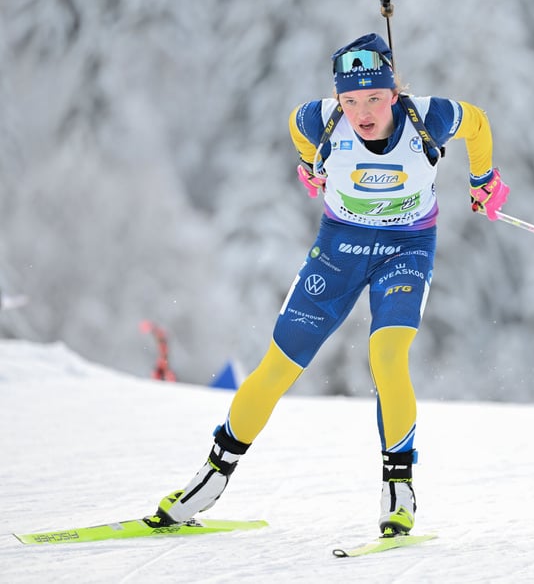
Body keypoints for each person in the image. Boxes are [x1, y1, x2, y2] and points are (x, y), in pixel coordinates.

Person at [149, 33, 509, 536]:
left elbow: (478, 123)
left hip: (406, 250)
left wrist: (482, 179)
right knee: (278, 365)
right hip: (339, 248)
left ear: (394, 92)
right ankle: (211, 477)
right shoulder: (318, 120)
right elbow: (298, 130)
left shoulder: (430, 117)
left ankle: (398, 487)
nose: (363, 112)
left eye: (375, 99)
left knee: (386, 357)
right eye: (351, 100)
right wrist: (312, 166)